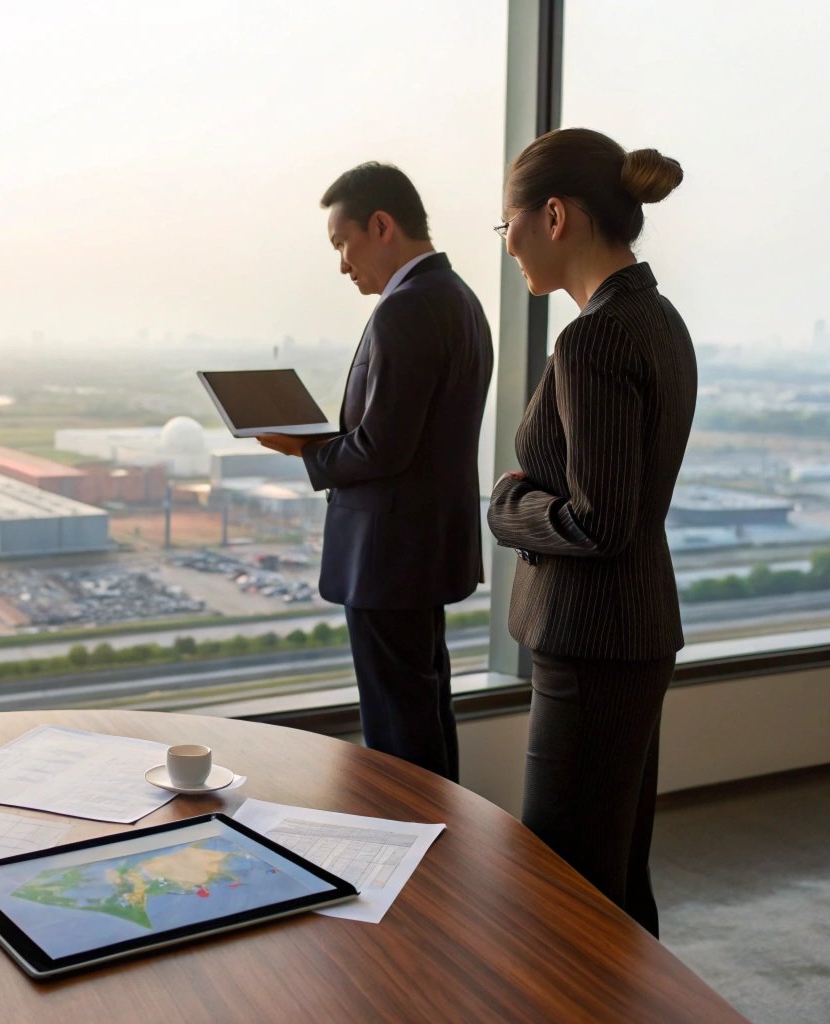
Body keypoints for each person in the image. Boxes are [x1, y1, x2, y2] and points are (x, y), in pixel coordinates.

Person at [486, 128, 695, 936]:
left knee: (560, 887)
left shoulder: (593, 338)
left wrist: (508, 510)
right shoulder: (657, 316)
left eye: (508, 226)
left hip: (592, 639)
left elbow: (600, 521)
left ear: (554, 216)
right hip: (633, 633)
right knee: (612, 877)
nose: (508, 246)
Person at [258, 162, 493, 781]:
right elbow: (408, 439)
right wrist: (336, 441)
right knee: (423, 710)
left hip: (389, 557)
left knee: (397, 731)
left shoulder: (404, 309)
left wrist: (305, 451)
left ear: (381, 225)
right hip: (425, 547)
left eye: (343, 242)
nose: (342, 264)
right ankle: (439, 842)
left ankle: (413, 853)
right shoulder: (461, 299)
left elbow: (383, 449)